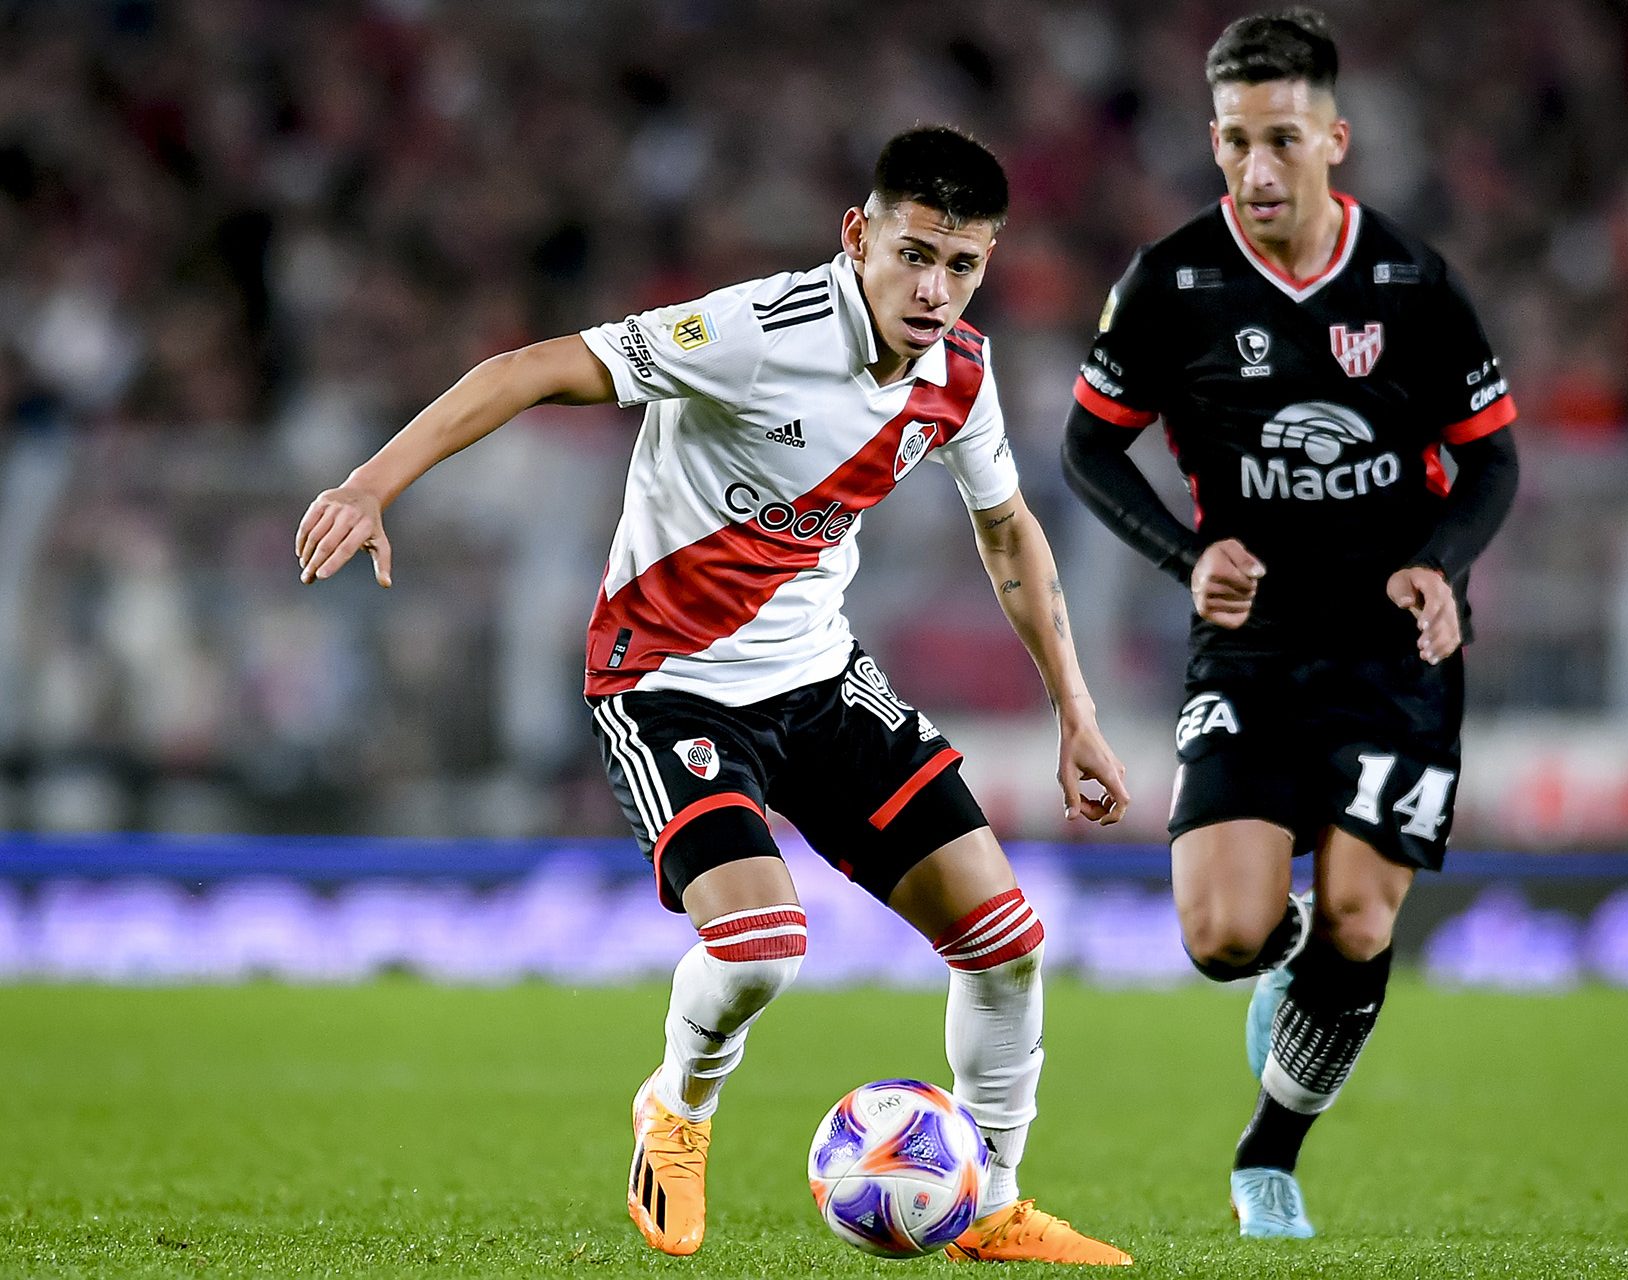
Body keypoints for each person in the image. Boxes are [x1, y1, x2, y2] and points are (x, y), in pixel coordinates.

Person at [297, 126, 1133, 1266]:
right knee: (759, 948)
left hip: (820, 678)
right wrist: (370, 481)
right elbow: (528, 368)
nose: (936, 289)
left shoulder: (962, 375)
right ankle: (676, 1107)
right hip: (667, 686)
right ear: (857, 235)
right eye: (914, 254)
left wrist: (1075, 712)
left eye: (964, 264)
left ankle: (987, 1203)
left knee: (1004, 940)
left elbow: (1008, 534)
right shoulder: (753, 331)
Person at [1061, 9, 1519, 1240]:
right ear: (1214, 143)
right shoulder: (1170, 283)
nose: (1258, 171)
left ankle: (1270, 1152)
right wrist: (1184, 552)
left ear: (1334, 137)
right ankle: (1284, 952)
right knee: (1222, 935)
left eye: (1283, 140)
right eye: (1235, 143)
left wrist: (1438, 565)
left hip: (1394, 645)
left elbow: (1491, 464)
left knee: (1369, 916)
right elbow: (1087, 447)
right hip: (1253, 643)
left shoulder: (1414, 284)